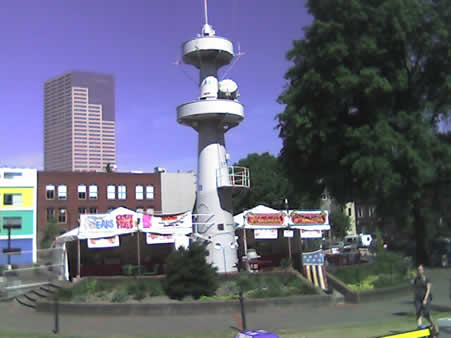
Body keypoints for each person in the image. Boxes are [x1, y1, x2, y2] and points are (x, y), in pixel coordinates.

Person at [413, 265, 435, 330]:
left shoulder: (426, 278)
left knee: (426, 313)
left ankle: (432, 324)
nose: (419, 271)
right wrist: (415, 297)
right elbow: (414, 288)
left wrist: (425, 299)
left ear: (423, 271)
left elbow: (428, 289)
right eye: (418, 270)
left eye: (420, 270)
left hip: (426, 298)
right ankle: (419, 325)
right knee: (418, 311)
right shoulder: (416, 279)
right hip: (418, 298)